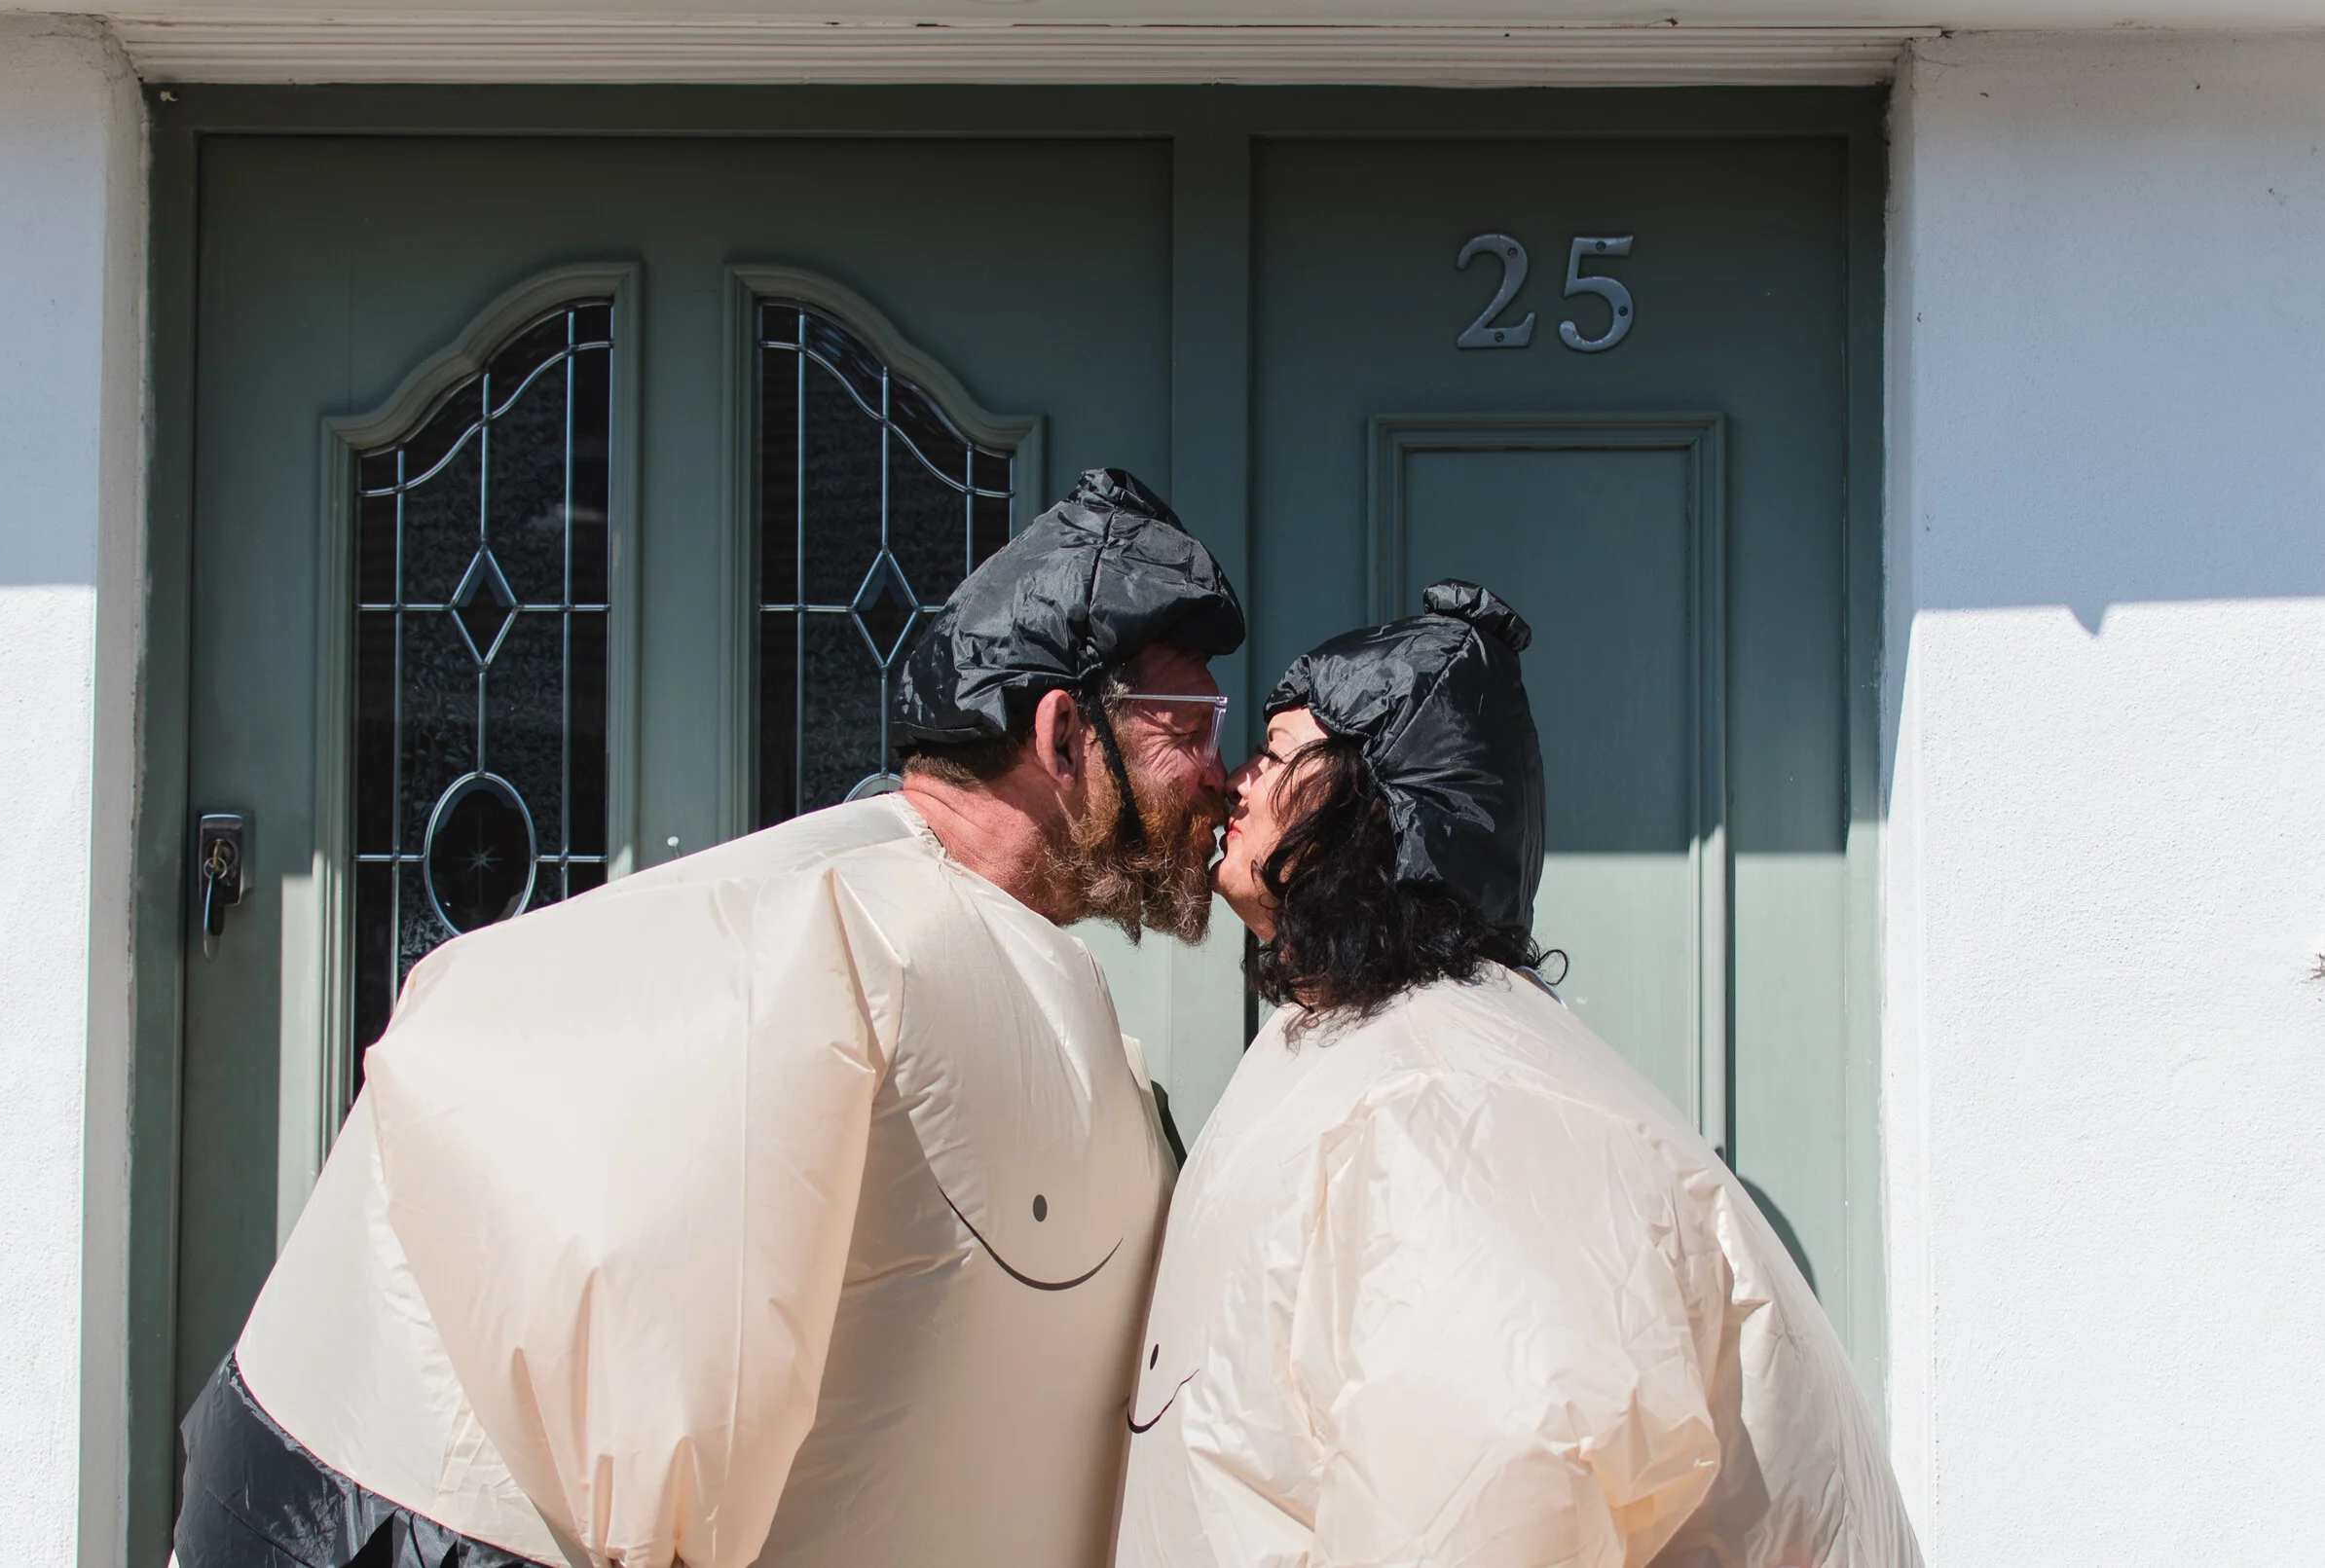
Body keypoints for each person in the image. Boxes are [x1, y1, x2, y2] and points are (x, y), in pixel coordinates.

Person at [174, 469, 1244, 1568]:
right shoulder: (846, 935)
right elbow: (655, 1373)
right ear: (1063, 735)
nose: (1228, 774)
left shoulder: (941, 932)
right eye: (1195, 726)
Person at [1116, 580, 1921, 1568]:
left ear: (1374, 802)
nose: (1231, 781)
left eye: (1275, 752)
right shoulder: (1383, 1052)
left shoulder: (1446, 1100)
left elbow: (1498, 1483)